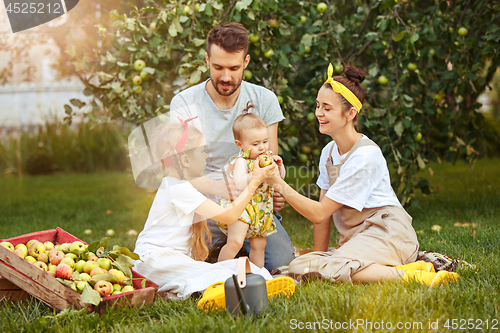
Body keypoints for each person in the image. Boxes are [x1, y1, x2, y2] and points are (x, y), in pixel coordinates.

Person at [265, 64, 459, 286]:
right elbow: (323, 217)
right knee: (303, 265)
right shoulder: (328, 152)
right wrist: (318, 256)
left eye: (327, 108)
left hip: (388, 234)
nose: (319, 113)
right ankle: (413, 267)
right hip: (358, 239)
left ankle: (418, 276)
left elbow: (319, 213)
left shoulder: (365, 155)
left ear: (350, 114)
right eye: (318, 105)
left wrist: (278, 184)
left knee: (325, 266)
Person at [169, 22, 295, 270]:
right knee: (190, 263)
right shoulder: (184, 103)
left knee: (281, 264)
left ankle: (239, 254)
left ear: (246, 62)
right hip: (206, 209)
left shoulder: (264, 100)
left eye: (234, 68)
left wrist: (275, 188)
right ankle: (231, 255)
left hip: (254, 207)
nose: (226, 77)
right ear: (207, 59)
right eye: (218, 67)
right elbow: (179, 173)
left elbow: (269, 160)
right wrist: (225, 192)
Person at [133, 118, 284, 299]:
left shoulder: (181, 185)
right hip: (153, 262)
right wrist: (255, 182)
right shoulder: (177, 188)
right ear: (186, 160)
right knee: (211, 275)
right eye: (203, 151)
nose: (206, 156)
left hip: (168, 261)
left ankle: (259, 279)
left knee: (235, 268)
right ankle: (240, 285)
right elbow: (229, 217)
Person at [217, 106, 286, 268]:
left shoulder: (265, 158)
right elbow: (240, 183)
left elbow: (279, 179)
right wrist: (255, 175)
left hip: (260, 211)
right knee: (235, 241)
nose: (262, 147)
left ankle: (258, 274)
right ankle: (217, 272)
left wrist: (279, 167)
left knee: (259, 244)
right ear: (240, 144)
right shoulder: (241, 161)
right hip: (242, 209)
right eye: (255, 144)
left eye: (265, 141)